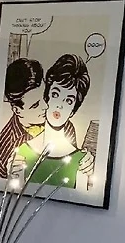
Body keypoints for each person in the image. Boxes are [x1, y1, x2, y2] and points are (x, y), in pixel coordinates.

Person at [9, 54, 96, 188]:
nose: (59, 105)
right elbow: (13, 192)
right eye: (56, 94)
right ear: (47, 96)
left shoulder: (81, 162)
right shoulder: (23, 152)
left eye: (68, 101)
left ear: (73, 110)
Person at [0, 58, 77, 178]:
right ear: (17, 110)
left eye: (45, 97)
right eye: (35, 105)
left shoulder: (65, 126)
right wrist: (10, 176)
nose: (46, 106)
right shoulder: (5, 145)